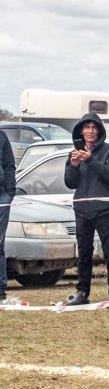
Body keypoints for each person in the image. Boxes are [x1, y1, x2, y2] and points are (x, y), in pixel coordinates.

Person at [63, 113, 109, 305]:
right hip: (81, 209)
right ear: (81, 130)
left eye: (94, 127)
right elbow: (70, 183)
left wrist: (90, 160)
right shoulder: (74, 153)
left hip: (104, 208)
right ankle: (82, 292)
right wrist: (73, 165)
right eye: (86, 127)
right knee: (84, 253)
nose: (90, 131)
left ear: (99, 130)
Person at [0, 129, 16, 302]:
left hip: (2, 198)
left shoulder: (2, 136)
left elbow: (9, 165)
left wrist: (9, 193)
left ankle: (0, 289)